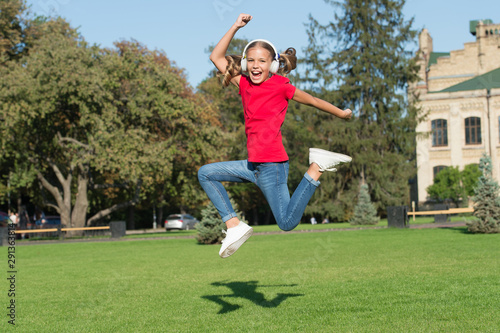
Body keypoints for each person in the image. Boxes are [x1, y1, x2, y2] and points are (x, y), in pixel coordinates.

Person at [198, 14, 353, 258]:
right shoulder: (244, 84)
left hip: (272, 166)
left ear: (272, 64)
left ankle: (316, 168)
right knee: (206, 173)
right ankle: (234, 225)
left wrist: (341, 114)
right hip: (252, 166)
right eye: (251, 60)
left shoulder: (281, 86)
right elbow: (216, 57)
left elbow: (312, 101)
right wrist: (236, 27)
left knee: (287, 223)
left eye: (262, 61)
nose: (255, 65)